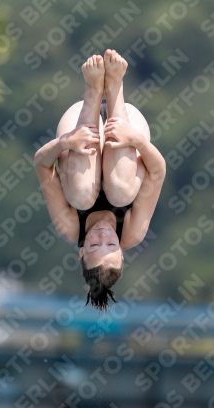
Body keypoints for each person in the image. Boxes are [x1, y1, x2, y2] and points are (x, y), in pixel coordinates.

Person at [34, 49, 166, 311]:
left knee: (82, 195)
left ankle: (93, 89)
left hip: (80, 124)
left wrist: (66, 142)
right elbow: (158, 170)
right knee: (120, 193)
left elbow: (42, 164)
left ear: (81, 252)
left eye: (95, 244)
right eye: (111, 244)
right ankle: (115, 85)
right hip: (127, 124)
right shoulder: (133, 231)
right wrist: (135, 139)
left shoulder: (70, 226)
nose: (105, 234)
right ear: (122, 253)